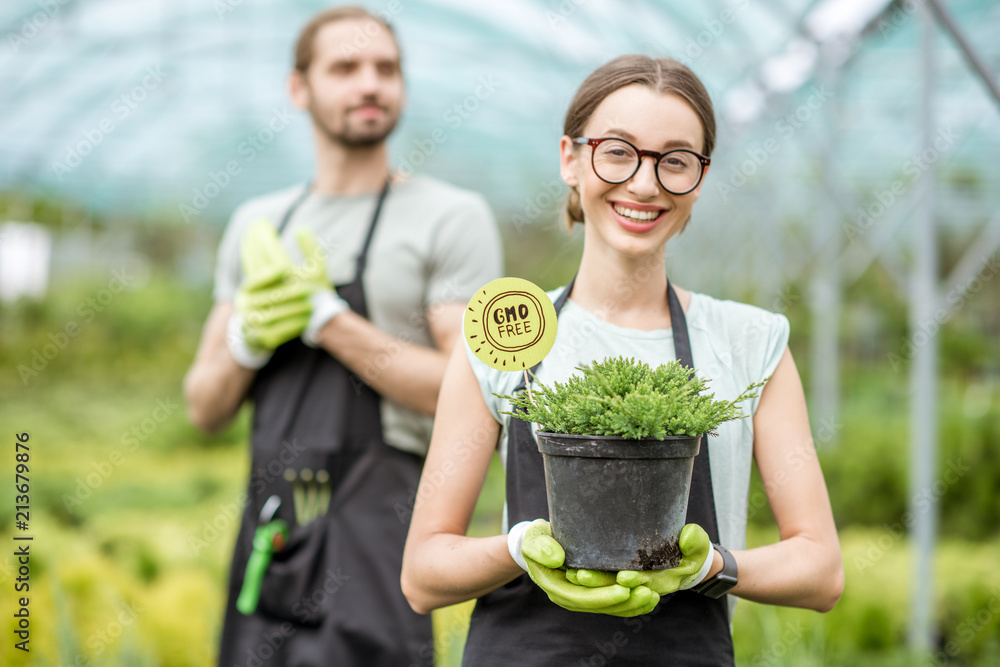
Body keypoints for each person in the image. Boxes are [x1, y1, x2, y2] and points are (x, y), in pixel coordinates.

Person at [401, 55, 844, 665]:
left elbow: (821, 569)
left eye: (675, 160)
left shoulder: (749, 341)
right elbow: (423, 574)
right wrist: (520, 548)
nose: (644, 183)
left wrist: (710, 567)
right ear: (570, 159)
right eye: (618, 151)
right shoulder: (508, 335)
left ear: (701, 176)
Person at [183, 6, 502, 666]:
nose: (370, 84)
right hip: (273, 527)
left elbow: (468, 388)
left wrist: (328, 321)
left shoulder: (449, 217)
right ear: (298, 88)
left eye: (386, 69)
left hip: (379, 528)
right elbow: (204, 407)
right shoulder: (258, 225)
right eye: (345, 68)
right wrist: (246, 338)